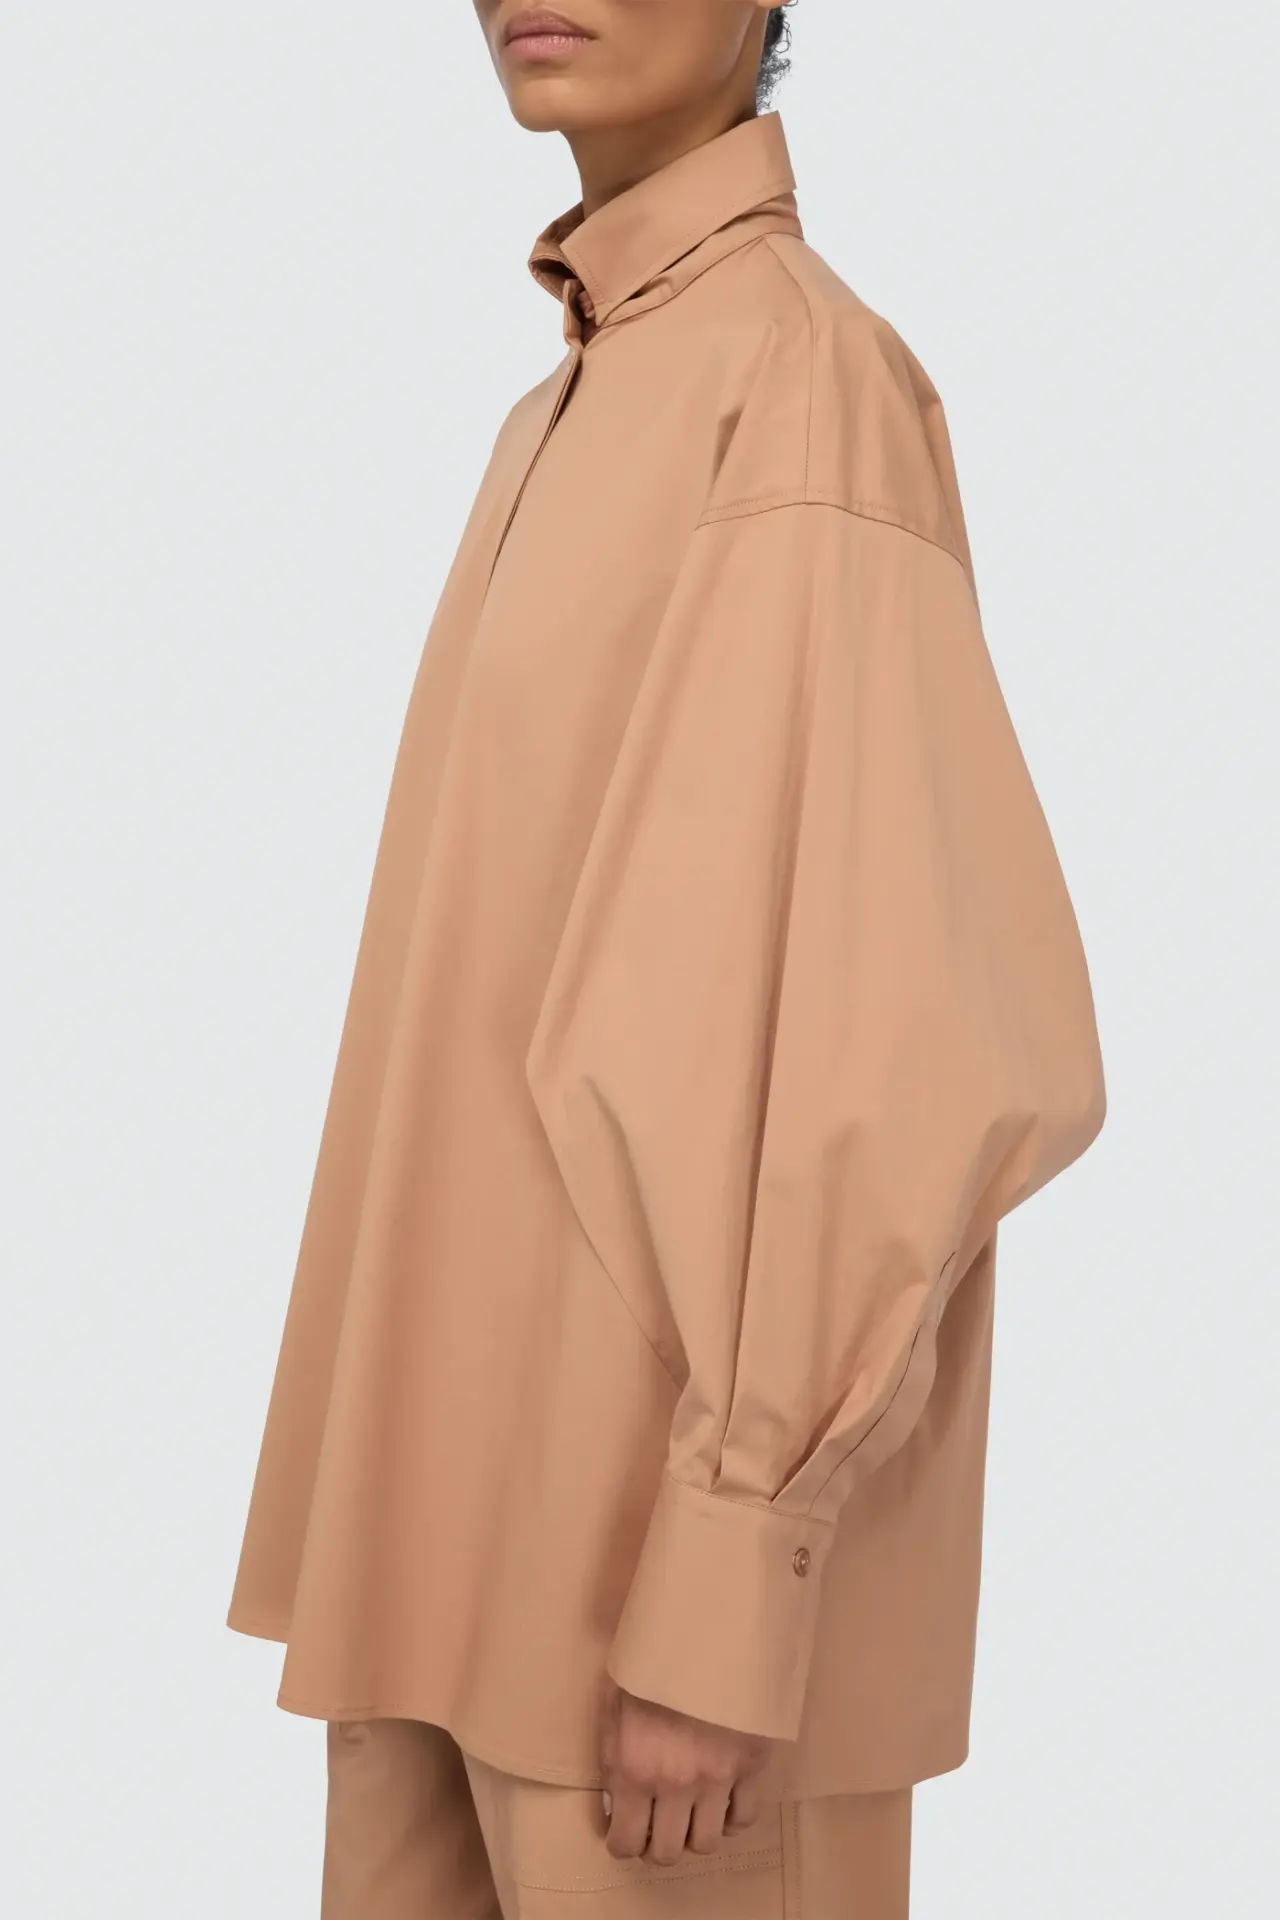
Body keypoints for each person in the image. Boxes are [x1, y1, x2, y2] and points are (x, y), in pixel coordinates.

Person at [227, 4, 1106, 1914]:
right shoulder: (566, 406)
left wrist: (734, 1559)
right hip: (440, 1565)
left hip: (651, 1635)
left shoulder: (804, 382)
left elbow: (902, 1029)